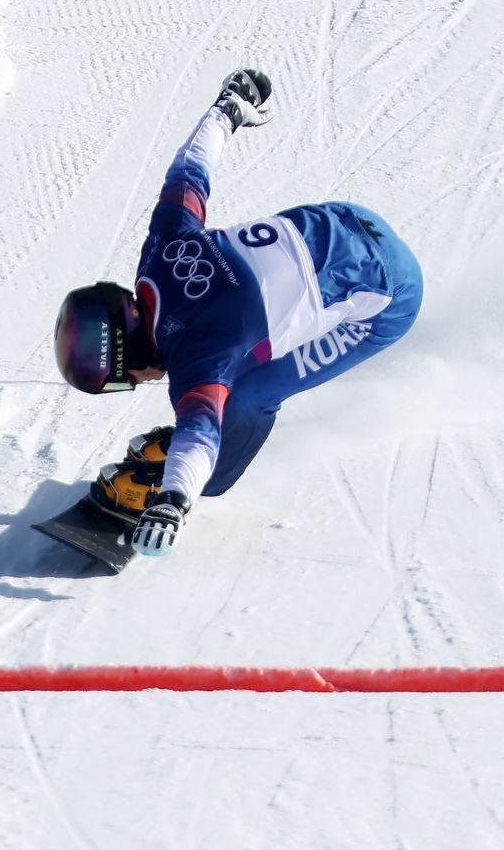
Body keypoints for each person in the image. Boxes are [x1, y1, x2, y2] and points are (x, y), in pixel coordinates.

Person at [53, 70, 423, 558]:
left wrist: (175, 499)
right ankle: (183, 469)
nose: (138, 385)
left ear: (132, 353)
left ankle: (200, 484)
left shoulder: (200, 355)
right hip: (343, 217)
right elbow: (188, 172)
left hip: (389, 293)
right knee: (240, 367)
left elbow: (201, 431)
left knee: (248, 393)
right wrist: (226, 111)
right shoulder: (161, 250)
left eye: (123, 380)